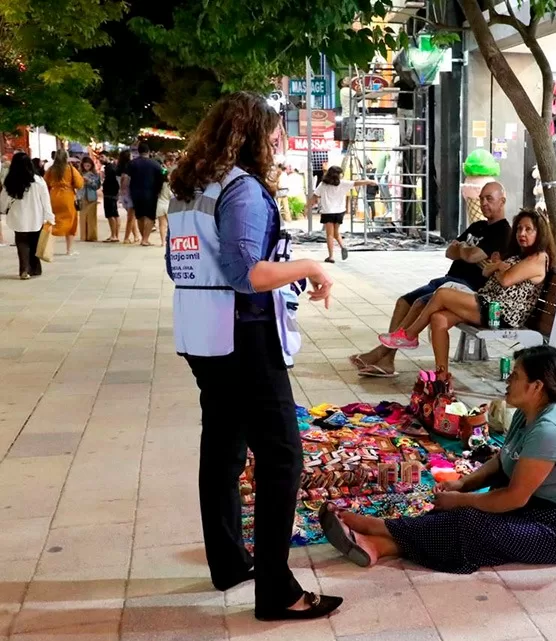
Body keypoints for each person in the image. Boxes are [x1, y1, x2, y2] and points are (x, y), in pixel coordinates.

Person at [166, 91, 341, 621]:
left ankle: (228, 562)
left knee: (222, 446)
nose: (276, 142)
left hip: (201, 333)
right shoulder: (240, 189)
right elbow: (249, 275)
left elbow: (185, 262)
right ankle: (277, 589)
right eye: (272, 133)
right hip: (242, 336)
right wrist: (311, 264)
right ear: (254, 137)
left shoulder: (191, 187)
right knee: (283, 455)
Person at [321, 345, 556, 572]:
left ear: (536, 386)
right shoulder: (527, 413)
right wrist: (463, 485)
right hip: (535, 509)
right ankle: (377, 547)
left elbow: (515, 498)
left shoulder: (550, 430)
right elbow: (502, 460)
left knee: (469, 522)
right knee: (462, 510)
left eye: (515, 376)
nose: (508, 382)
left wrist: (462, 499)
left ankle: (378, 528)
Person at [350, 181, 512, 377]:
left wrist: (461, 248)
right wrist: (463, 250)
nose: (484, 203)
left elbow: (470, 255)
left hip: (467, 287)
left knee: (420, 303)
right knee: (403, 302)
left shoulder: (503, 232)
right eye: (482, 199)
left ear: (502, 201)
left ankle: (382, 354)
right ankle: (387, 360)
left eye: (489, 199)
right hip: (448, 280)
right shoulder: (478, 226)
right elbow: (449, 251)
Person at [380, 209, 555, 372]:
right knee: (438, 318)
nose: (522, 234)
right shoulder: (520, 255)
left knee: (442, 294)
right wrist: (499, 267)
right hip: (487, 302)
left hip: (501, 312)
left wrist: (499, 268)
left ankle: (410, 335)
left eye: (528, 230)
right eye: (519, 229)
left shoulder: (539, 257)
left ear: (539, 233)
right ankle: (442, 378)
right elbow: (487, 271)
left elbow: (506, 279)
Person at [306, 165, 377, 264]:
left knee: (329, 235)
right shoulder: (343, 183)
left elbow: (314, 197)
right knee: (336, 232)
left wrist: (306, 207)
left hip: (328, 212)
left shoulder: (323, 184)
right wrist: (369, 181)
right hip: (340, 212)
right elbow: (357, 182)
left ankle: (331, 257)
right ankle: (343, 246)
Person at [0, 152, 55, 279]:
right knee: (34, 242)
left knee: (22, 243)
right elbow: (45, 201)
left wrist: (2, 210)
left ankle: (24, 269)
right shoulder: (38, 180)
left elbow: (4, 201)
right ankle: (35, 268)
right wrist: (50, 217)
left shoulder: (10, 181)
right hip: (36, 217)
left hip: (18, 218)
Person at [44, 149, 84, 256]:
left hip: (53, 196)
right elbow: (79, 183)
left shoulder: (50, 170)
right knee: (71, 222)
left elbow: (45, 183)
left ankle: (46, 246)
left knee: (53, 220)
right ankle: (69, 250)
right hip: (67, 197)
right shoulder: (70, 168)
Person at [127, 141, 164, 246]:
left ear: (138, 151)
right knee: (150, 216)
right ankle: (145, 239)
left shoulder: (132, 163)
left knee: (140, 216)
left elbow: (125, 178)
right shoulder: (155, 164)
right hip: (151, 193)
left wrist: (124, 191)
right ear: (148, 151)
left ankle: (143, 237)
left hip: (135, 192)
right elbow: (162, 176)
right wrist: (159, 190)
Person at [118, 150, 140, 244]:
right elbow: (125, 181)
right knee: (131, 218)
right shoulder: (128, 169)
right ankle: (126, 237)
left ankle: (136, 236)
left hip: (123, 196)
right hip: (130, 194)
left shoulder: (118, 168)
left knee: (132, 217)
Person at [78, 156, 101, 242]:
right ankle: (83, 236)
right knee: (83, 217)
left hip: (91, 197)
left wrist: (89, 182)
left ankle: (92, 236)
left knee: (92, 217)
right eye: (85, 165)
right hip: (82, 196)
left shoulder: (95, 175)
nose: (87, 167)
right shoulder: (79, 174)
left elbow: (97, 186)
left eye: (89, 165)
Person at [155, 153, 175, 244]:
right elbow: (171, 195)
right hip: (168, 205)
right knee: (170, 225)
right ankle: (170, 240)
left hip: (160, 204)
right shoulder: (169, 185)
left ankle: (163, 241)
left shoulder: (159, 185)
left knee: (161, 225)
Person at [101, 157, 121, 242]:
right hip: (113, 194)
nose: (100, 159)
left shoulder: (110, 168)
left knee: (110, 215)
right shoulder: (113, 167)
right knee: (115, 214)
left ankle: (114, 235)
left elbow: (111, 181)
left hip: (109, 194)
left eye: (102, 157)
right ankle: (115, 235)